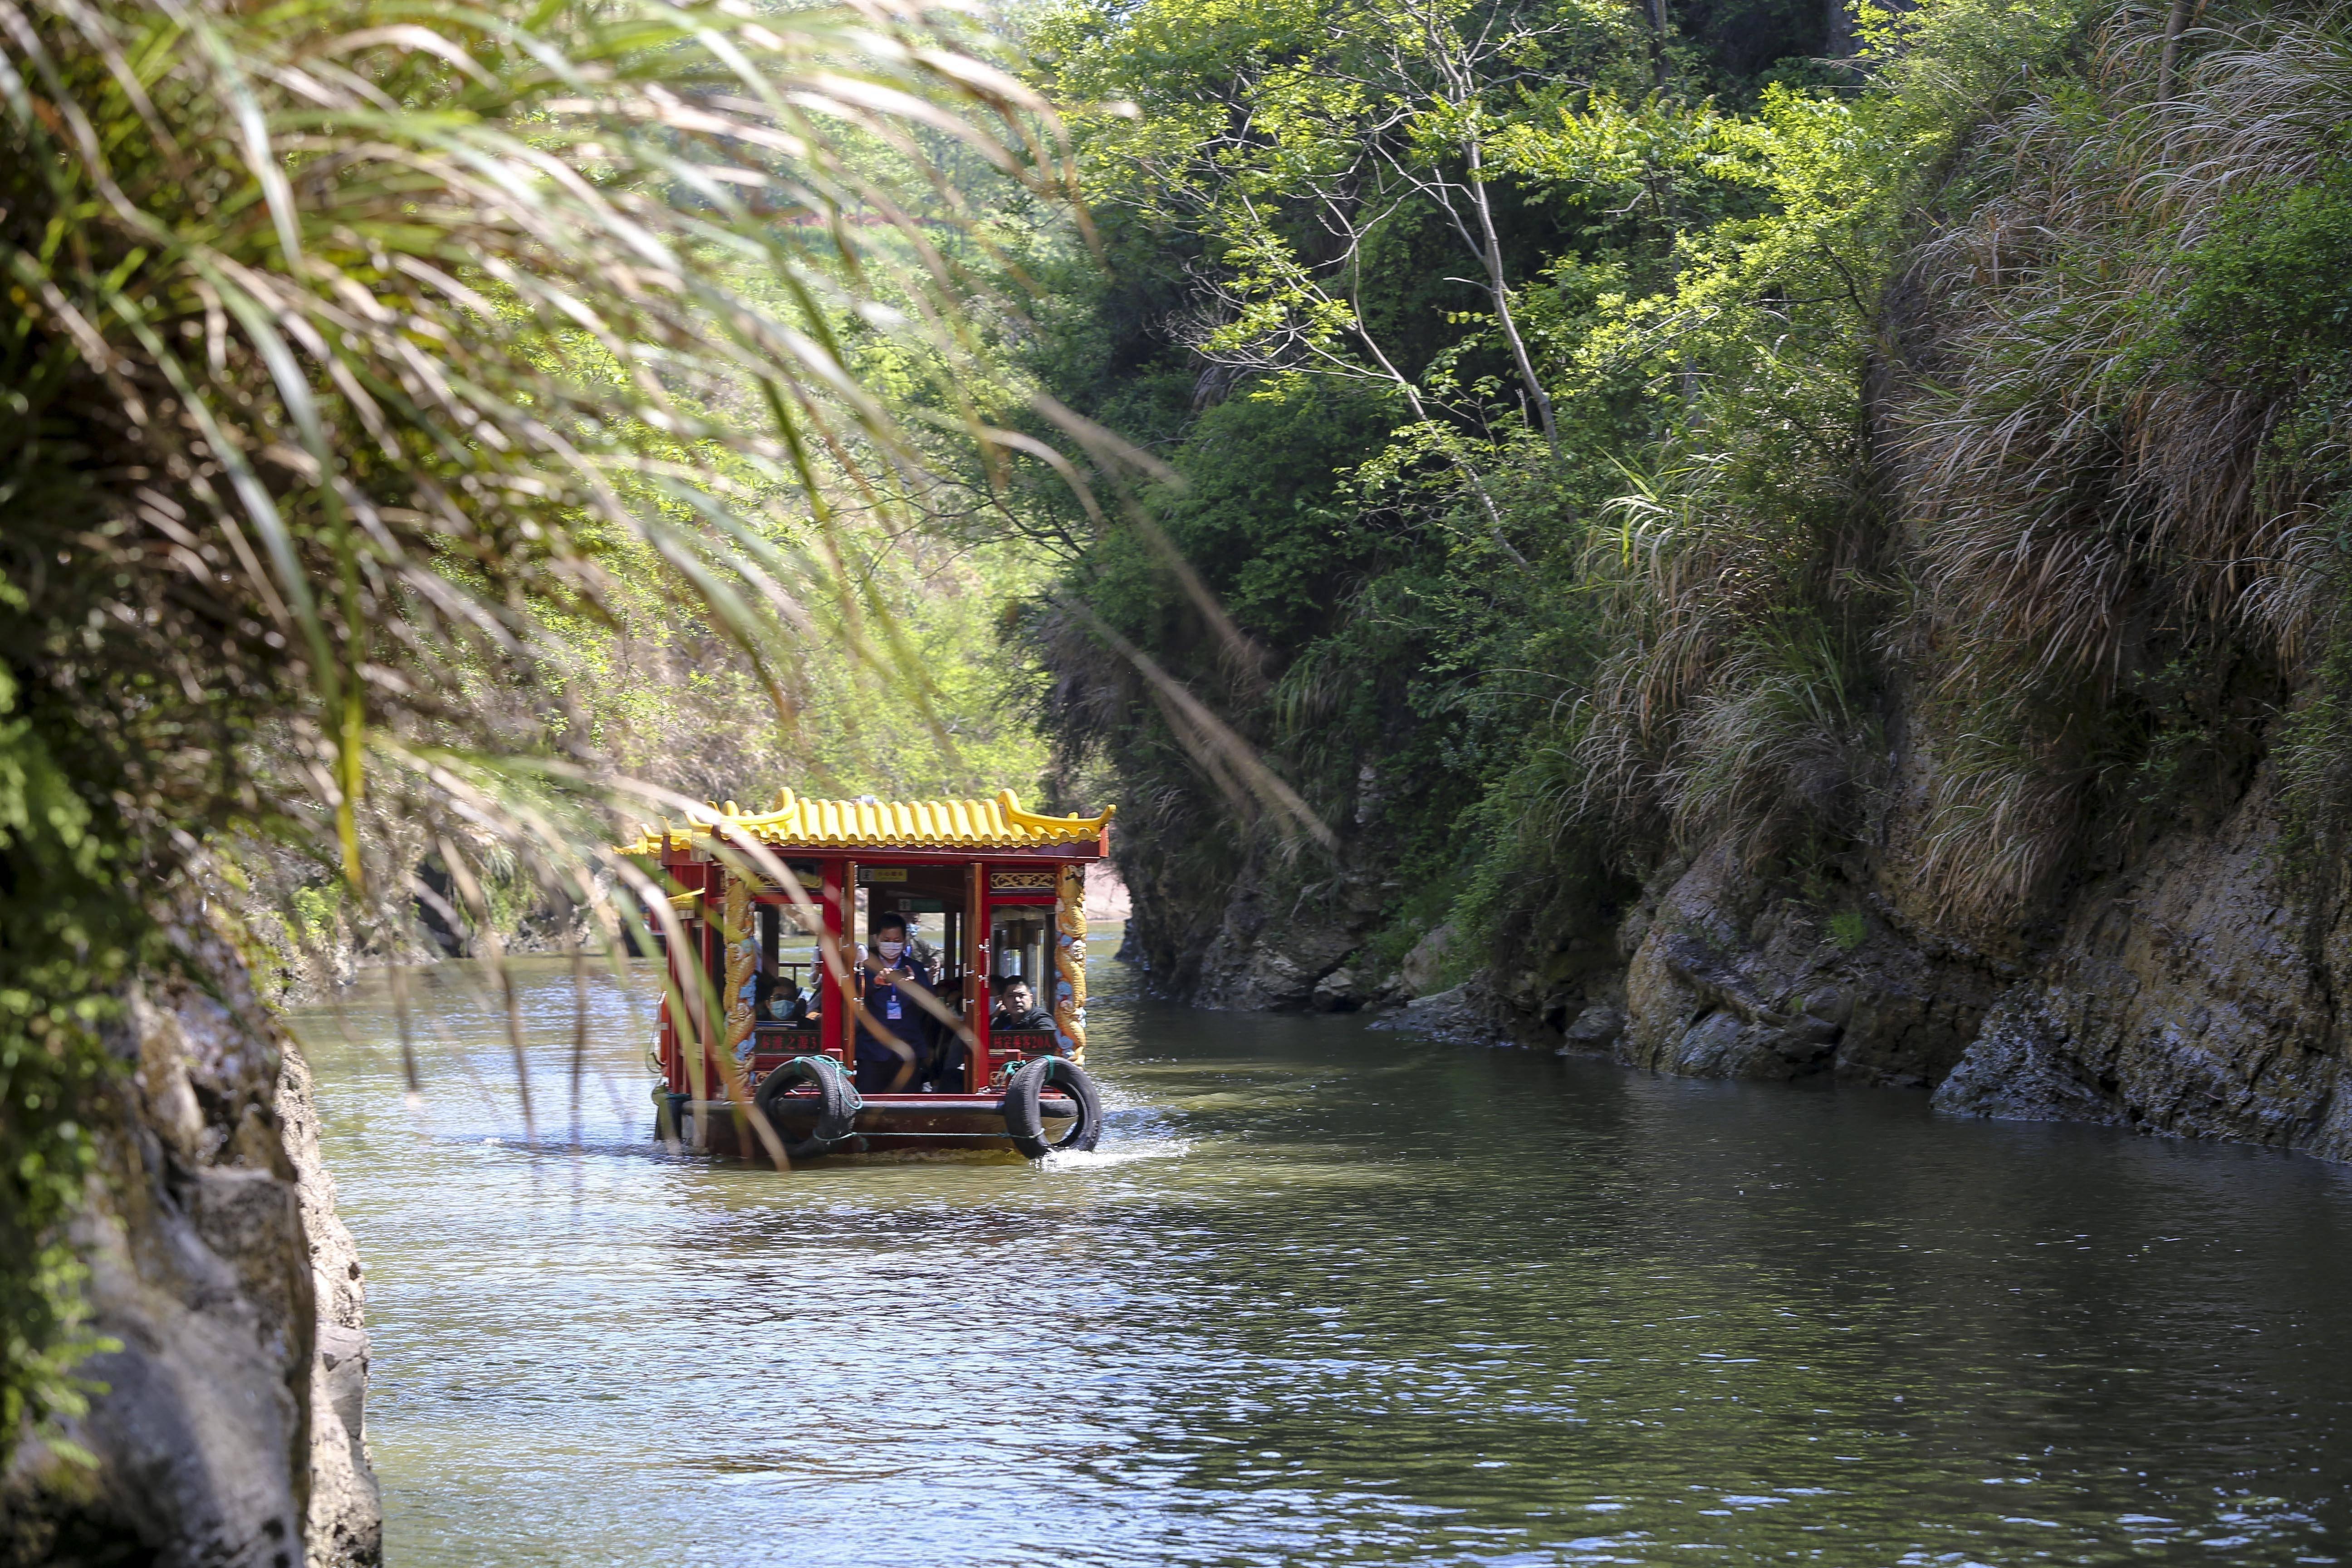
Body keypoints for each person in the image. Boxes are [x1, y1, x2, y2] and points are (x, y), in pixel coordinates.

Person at [853, 912, 936, 1092]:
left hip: (908, 1050)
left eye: (897, 940)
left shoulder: (915, 967)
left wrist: (914, 985)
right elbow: (853, 996)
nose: (892, 944)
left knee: (907, 1107)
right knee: (869, 1104)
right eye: (887, 939)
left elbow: (931, 1003)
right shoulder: (865, 966)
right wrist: (875, 984)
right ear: (877, 939)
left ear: (905, 940)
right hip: (873, 1050)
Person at [990, 980, 1054, 1033]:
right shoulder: (1003, 1018)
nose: (1017, 1000)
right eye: (1011, 996)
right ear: (1003, 1000)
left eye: (1022, 995)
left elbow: (1048, 1041)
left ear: (1031, 998)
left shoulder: (1040, 1018)